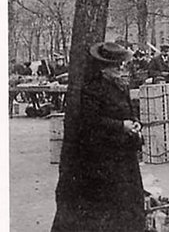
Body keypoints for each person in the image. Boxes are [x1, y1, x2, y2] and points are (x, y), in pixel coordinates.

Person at [51, 41, 144, 231]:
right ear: (104, 68)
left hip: (124, 153)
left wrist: (134, 122)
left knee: (130, 197)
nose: (120, 69)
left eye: (121, 65)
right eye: (116, 66)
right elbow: (91, 122)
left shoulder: (121, 86)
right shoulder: (92, 89)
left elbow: (127, 110)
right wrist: (120, 126)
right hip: (103, 156)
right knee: (109, 202)